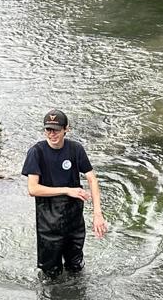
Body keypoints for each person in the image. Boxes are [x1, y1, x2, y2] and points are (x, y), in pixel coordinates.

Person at [22, 109, 107, 278]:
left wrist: (97, 213)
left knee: (76, 269)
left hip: (74, 219)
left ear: (66, 129)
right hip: (48, 222)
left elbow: (92, 179)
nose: (52, 134)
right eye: (48, 130)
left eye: (56, 130)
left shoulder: (75, 149)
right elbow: (33, 189)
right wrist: (67, 190)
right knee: (50, 274)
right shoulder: (36, 152)